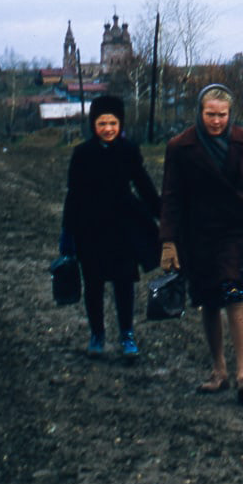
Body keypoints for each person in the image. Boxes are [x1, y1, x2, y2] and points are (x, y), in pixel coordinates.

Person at [159, 84, 243, 404]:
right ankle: (218, 371)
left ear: (230, 114)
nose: (216, 121)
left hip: (236, 230)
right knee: (208, 299)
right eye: (210, 115)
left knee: (234, 293)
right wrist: (168, 242)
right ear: (199, 113)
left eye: (222, 115)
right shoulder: (181, 147)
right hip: (199, 234)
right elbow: (172, 197)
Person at [60, 95, 161, 358]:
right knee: (93, 284)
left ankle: (127, 334)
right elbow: (73, 195)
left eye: (113, 123)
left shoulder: (128, 150)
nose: (108, 128)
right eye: (102, 123)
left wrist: (163, 214)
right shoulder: (82, 154)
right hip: (89, 229)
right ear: (93, 124)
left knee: (124, 283)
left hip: (122, 229)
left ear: (120, 123)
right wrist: (67, 235)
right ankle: (97, 335)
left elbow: (143, 185)